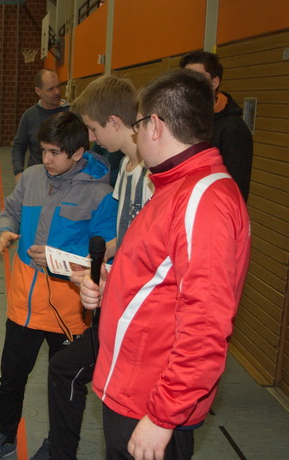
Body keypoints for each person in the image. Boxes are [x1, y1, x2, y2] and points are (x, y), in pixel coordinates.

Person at [81, 69, 251, 460]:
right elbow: (161, 277)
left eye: (138, 125)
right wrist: (111, 284)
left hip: (150, 400)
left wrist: (162, 416)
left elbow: (205, 326)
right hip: (133, 389)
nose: (136, 135)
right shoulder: (174, 187)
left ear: (155, 126)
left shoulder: (202, 201)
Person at [0, 111, 117, 460]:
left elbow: (105, 254)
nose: (46, 159)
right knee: (11, 377)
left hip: (69, 310)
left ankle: (57, 443)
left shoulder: (101, 195)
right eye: (43, 150)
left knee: (64, 385)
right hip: (23, 304)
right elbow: (10, 211)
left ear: (78, 153)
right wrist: (3, 230)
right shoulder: (32, 178)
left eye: (55, 152)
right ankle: (4, 434)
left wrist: (59, 259)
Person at [37, 74, 154, 460]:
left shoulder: (151, 176)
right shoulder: (128, 169)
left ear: (115, 123)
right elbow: (126, 237)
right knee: (65, 369)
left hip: (137, 315)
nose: (91, 138)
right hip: (116, 301)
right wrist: (88, 263)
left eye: (92, 129)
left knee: (116, 411)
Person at [179, 50, 254, 201]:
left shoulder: (234, 128)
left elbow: (236, 191)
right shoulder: (183, 121)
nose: (190, 86)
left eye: (197, 78)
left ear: (214, 82)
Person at [12, 69, 70, 183]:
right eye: (51, 89)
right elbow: (18, 145)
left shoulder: (72, 114)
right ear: (38, 91)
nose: (57, 92)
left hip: (67, 181)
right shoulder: (29, 116)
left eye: (58, 86)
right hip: (36, 180)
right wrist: (18, 172)